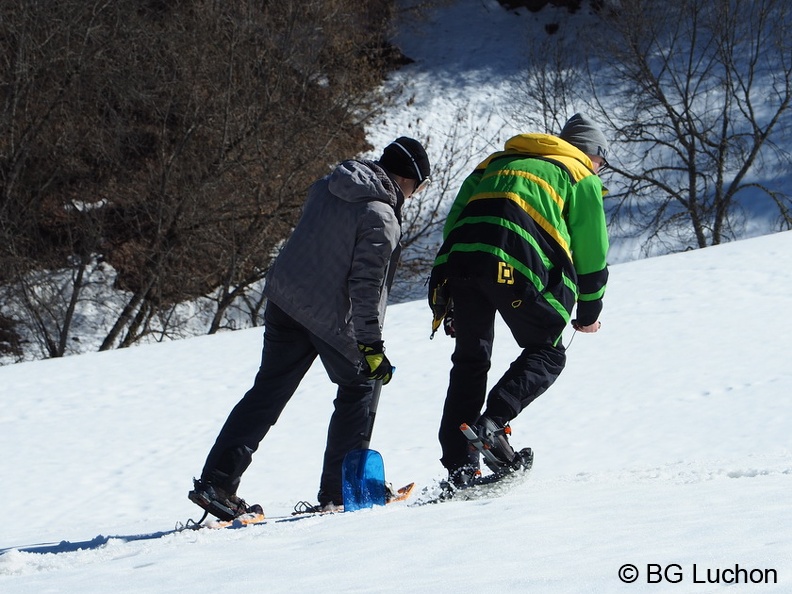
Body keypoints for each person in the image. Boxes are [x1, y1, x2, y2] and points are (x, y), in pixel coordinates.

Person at [190, 137, 431, 520]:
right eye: (419, 186)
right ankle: (339, 491)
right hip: (329, 315)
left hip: (285, 301)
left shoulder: (328, 185)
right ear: (408, 179)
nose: (415, 195)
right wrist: (371, 345)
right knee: (362, 385)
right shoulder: (380, 216)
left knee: (267, 392)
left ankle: (216, 484)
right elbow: (366, 287)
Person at [428, 113, 609, 488]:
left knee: (470, 359)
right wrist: (589, 310)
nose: (601, 170)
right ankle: (492, 425)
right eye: (602, 162)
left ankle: (460, 467)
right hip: (511, 262)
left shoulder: (494, 163)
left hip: (460, 259)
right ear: (592, 154)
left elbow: (454, 222)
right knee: (547, 351)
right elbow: (592, 250)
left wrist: (455, 294)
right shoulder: (579, 175)